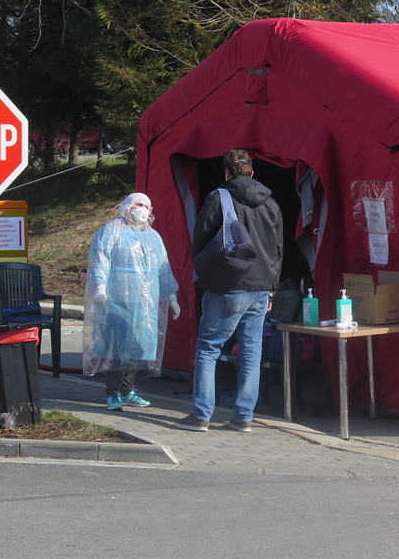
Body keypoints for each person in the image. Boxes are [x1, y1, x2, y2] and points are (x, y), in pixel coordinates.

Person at [174, 149, 283, 432]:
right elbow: (278, 249)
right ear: (252, 172)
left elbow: (200, 239)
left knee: (208, 348)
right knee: (251, 352)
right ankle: (243, 418)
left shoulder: (218, 197)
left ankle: (201, 415)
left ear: (226, 172)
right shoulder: (270, 202)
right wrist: (272, 288)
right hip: (261, 287)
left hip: (228, 285)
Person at [83, 193, 181, 411]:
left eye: (147, 205)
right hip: (116, 299)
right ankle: (113, 393)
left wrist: (171, 296)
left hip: (144, 301)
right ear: (127, 206)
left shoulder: (153, 237)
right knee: (117, 347)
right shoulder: (111, 232)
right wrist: (100, 288)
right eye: (138, 204)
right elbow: (101, 261)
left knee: (136, 346)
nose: (143, 209)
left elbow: (163, 267)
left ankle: (128, 391)